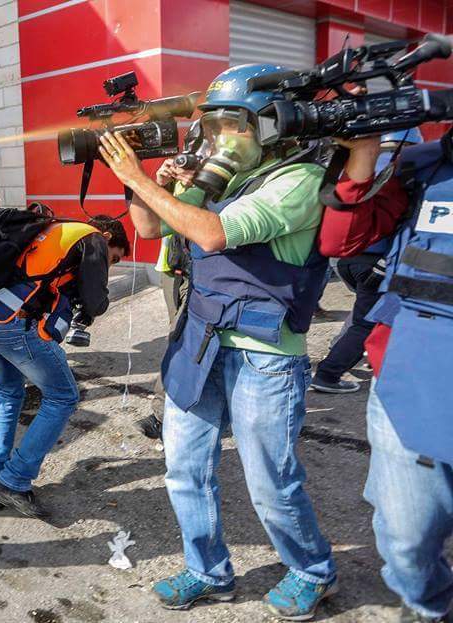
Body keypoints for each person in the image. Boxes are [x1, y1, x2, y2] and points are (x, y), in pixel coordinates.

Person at [100, 64, 338, 621]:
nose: (223, 138)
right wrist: (146, 180)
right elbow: (153, 228)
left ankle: (312, 570)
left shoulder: (299, 181)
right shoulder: (221, 172)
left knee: (270, 479)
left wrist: (139, 179)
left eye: (237, 125)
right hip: (201, 338)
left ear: (275, 126)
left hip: (265, 354)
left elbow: (209, 231)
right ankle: (208, 571)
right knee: (184, 467)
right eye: (216, 125)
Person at [317, 130, 453, 623]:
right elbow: (340, 240)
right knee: (407, 535)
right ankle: (425, 604)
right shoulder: (422, 167)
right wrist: (363, 155)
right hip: (412, 374)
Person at [0, 214, 130, 518]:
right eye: (114, 259)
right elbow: (95, 300)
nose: (109, 265)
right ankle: (13, 481)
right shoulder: (93, 239)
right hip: (7, 323)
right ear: (109, 237)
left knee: (9, 392)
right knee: (63, 397)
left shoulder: (54, 228)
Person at [311, 128, 424, 393]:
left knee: (364, 313)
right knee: (368, 320)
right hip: (376, 262)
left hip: (345, 259)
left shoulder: (357, 166)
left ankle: (341, 352)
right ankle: (329, 373)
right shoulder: (405, 173)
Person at [140, 158, 201, 440]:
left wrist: (197, 183)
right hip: (169, 269)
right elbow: (148, 222)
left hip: (196, 271)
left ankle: (162, 415)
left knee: (178, 339)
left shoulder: (210, 178)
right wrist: (160, 182)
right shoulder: (174, 179)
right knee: (179, 338)